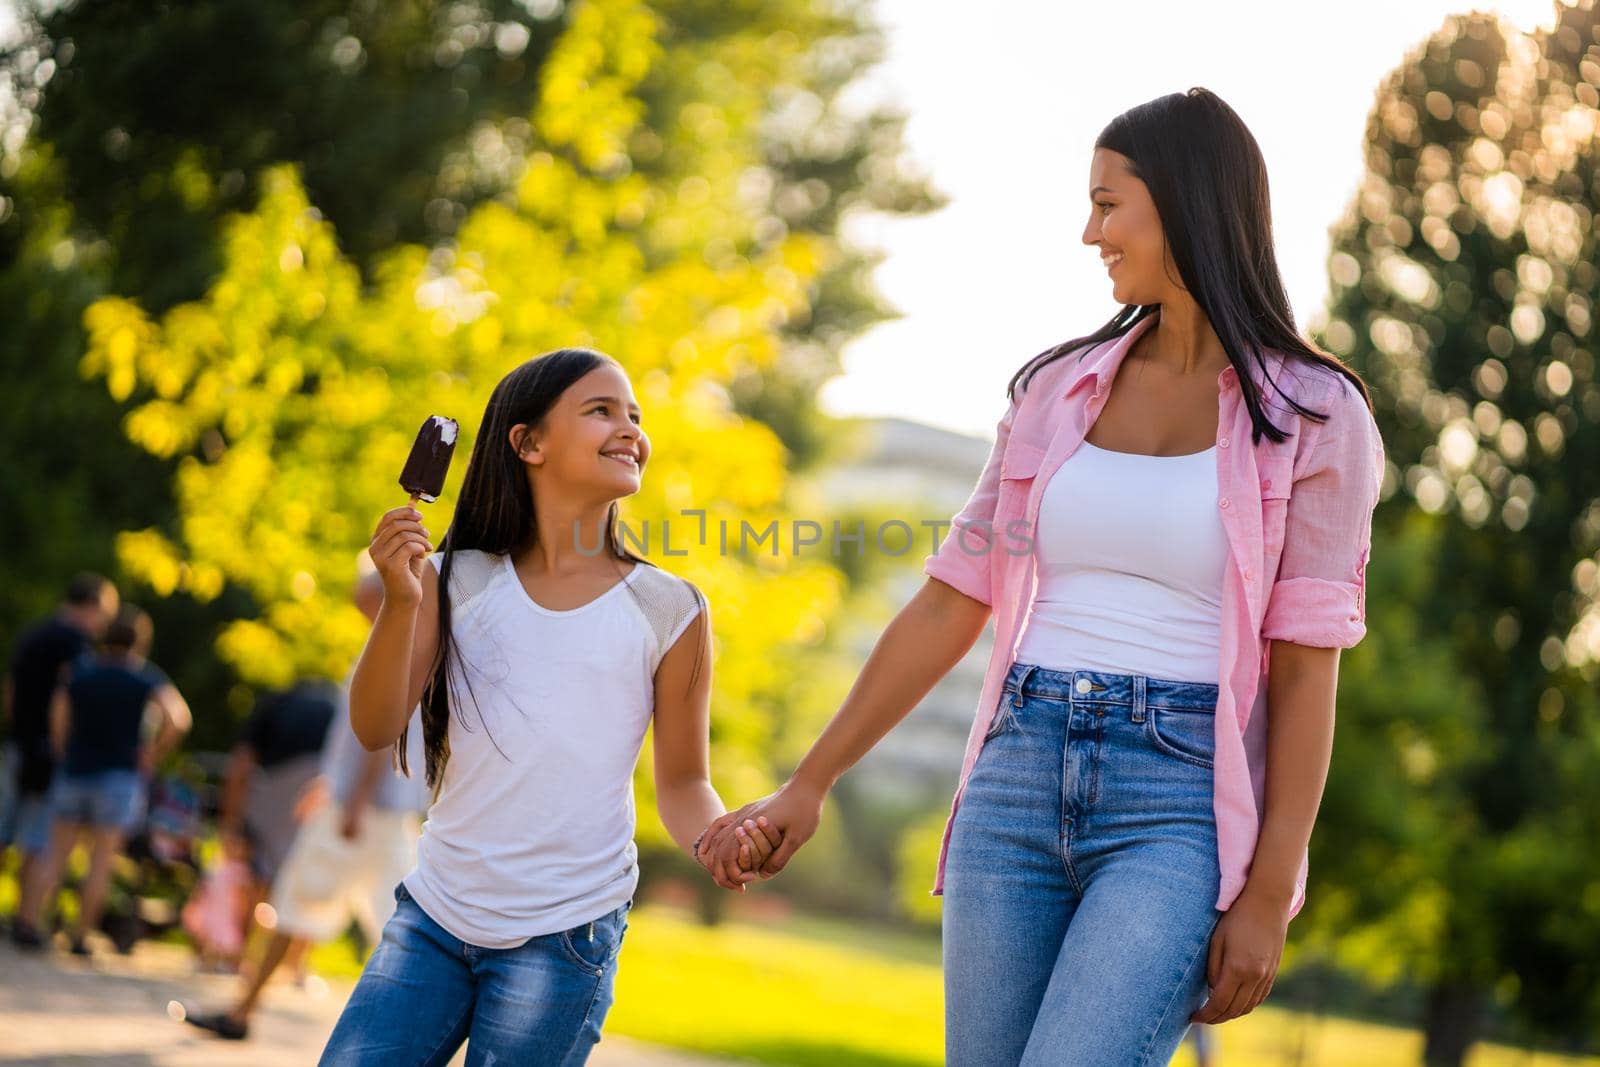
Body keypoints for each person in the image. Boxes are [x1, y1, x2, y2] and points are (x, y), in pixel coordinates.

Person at [702, 87, 1385, 1066]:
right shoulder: (1053, 391)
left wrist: (1270, 886)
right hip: (1016, 773)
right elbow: (950, 598)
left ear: (1184, 201)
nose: (1088, 231)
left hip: (1181, 800)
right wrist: (809, 781)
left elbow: (1308, 666)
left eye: (1109, 204)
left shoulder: (1314, 416)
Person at [318, 349, 778, 1065]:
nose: (629, 428)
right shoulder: (450, 580)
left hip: (566, 934)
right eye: (601, 410)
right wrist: (402, 600)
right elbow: (376, 724)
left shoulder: (671, 609)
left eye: (634, 415)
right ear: (528, 443)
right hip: (436, 914)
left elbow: (684, 780)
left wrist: (715, 834)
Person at [182, 568, 429, 1041]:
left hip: (362, 812)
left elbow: (382, 734)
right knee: (401, 924)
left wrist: (353, 800)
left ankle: (241, 1013)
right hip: (377, 810)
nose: (355, 605)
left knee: (295, 904)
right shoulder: (402, 642)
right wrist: (332, 783)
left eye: (361, 596)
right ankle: (417, 1034)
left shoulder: (395, 643)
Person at [16, 604, 192, 953]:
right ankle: (81, 936)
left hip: (75, 770)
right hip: (119, 776)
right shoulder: (144, 676)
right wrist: (153, 754)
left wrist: (62, 749)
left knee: (55, 853)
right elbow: (179, 717)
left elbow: (58, 716)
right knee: (101, 861)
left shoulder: (82, 671)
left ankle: (28, 923)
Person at [3, 573, 119, 915]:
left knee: (3, 827)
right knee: (37, 840)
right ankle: (24, 917)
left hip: (16, 743)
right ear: (92, 606)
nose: (103, 625)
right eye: (105, 614)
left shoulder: (33, 634)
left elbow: (10, 692)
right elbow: (65, 700)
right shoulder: (75, 646)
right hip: (48, 750)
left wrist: (16, 732)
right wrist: (60, 744)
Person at [219, 674, 340, 943]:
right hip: (318, 798)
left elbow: (240, 764)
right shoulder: (337, 707)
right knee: (306, 883)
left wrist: (230, 823)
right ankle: (293, 965)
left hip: (270, 801)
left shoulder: (275, 703)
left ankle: (239, 951)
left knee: (257, 876)